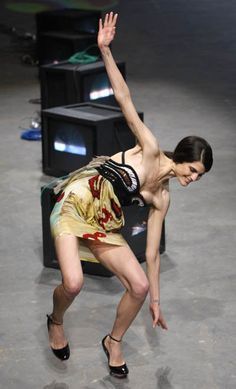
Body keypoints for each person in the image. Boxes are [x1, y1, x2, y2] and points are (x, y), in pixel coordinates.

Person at [46, 12, 213, 378]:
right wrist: (104, 50)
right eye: (193, 172)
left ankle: (114, 340)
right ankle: (55, 320)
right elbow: (123, 97)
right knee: (72, 283)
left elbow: (151, 254)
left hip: (102, 221)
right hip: (77, 201)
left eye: (199, 177)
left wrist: (154, 299)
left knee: (136, 285)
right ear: (183, 158)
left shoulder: (162, 198)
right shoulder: (150, 148)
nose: (193, 179)